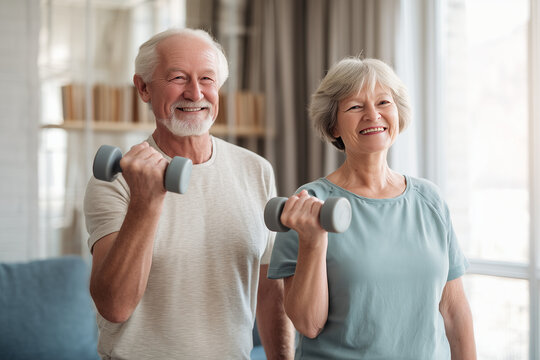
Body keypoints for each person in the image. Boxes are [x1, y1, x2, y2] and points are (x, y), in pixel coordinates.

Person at [84, 28, 294, 359]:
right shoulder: (118, 178)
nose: (195, 93)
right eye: (179, 78)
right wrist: (146, 201)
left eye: (207, 79)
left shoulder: (257, 170)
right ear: (143, 88)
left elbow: (270, 290)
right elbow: (114, 306)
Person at [267, 57, 477, 359]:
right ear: (333, 125)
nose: (372, 115)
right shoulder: (309, 204)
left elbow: (455, 312)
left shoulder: (429, 200)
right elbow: (308, 324)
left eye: (383, 102)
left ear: (398, 114)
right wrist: (313, 242)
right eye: (355, 107)